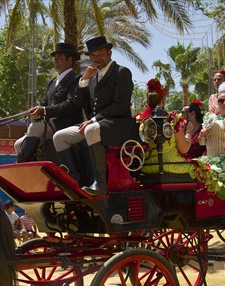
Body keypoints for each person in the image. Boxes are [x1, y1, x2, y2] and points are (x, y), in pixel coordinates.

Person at [53, 36, 136, 195]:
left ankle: (100, 183)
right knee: (59, 137)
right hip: (97, 125)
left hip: (120, 125)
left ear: (109, 53)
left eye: (100, 53)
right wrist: (84, 80)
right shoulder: (92, 78)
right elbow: (78, 104)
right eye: (93, 55)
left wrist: (92, 120)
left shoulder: (122, 72)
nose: (96, 58)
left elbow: (120, 106)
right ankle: (75, 179)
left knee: (91, 129)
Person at [15, 42, 83, 163]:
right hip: (49, 125)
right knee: (18, 144)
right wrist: (36, 112)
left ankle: (20, 165)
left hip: (66, 124)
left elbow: (70, 104)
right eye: (55, 58)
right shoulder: (52, 82)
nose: (56, 61)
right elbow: (44, 103)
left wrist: (44, 110)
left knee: (35, 127)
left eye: (60, 58)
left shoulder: (76, 79)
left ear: (69, 60)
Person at [137, 79, 193, 177]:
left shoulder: (139, 120)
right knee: (201, 168)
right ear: (163, 100)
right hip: (171, 165)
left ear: (147, 100)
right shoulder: (173, 119)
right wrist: (188, 131)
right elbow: (184, 149)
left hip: (146, 168)